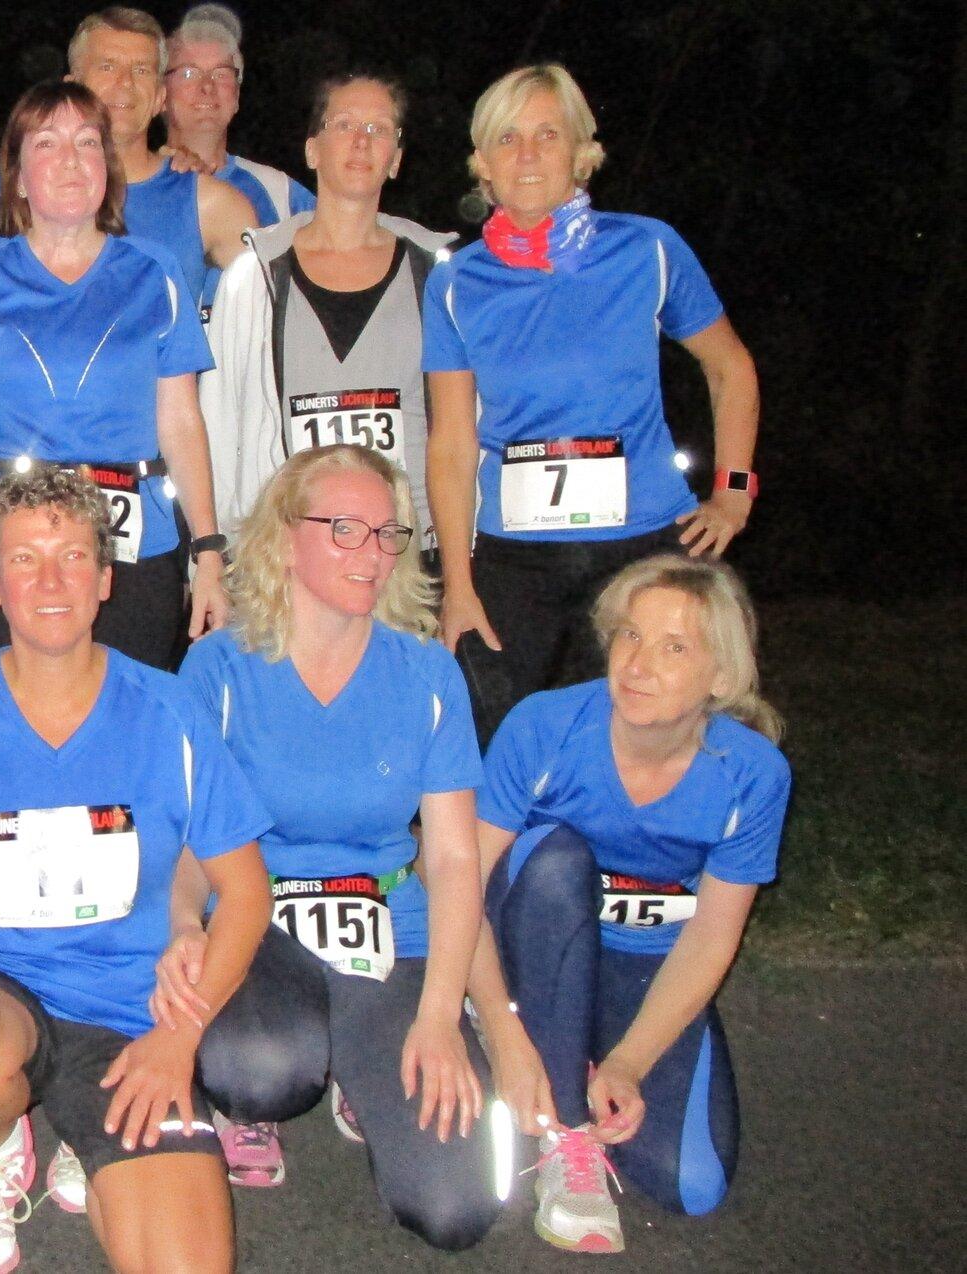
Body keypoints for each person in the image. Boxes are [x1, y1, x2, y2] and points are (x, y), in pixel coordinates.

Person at [0, 466, 273, 1274]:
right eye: (23, 560)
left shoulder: (167, 709)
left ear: (105, 578)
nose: (50, 581)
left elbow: (247, 893)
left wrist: (176, 1039)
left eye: (73, 556)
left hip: (131, 1012)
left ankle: (93, 1133)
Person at [172, 445, 500, 1249]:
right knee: (258, 1072)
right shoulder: (216, 669)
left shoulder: (426, 674)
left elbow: (455, 860)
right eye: (344, 529)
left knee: (457, 1209)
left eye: (387, 534)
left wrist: (439, 1016)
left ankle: (362, 1062)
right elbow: (181, 841)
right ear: (283, 538)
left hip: (389, 930)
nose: (373, 554)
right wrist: (183, 924)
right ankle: (283, 1077)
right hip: (254, 929)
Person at [423, 64, 763, 747]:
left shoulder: (646, 249)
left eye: (546, 135)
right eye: (507, 138)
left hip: (641, 549)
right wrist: (456, 583)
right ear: (481, 163)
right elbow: (452, 444)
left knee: (644, 739)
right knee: (493, 739)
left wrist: (731, 492)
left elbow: (730, 369)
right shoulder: (455, 281)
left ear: (581, 153)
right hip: (512, 556)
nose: (526, 155)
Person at [467, 554, 790, 1252]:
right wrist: (501, 1030)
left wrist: (629, 1065)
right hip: (535, 938)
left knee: (690, 1185)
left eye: (674, 647)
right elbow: (457, 881)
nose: (638, 664)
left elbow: (708, 939)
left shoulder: (752, 774)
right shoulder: (544, 726)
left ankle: (586, 1054)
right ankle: (564, 1134)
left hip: (643, 962)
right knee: (555, 861)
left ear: (722, 676)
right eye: (628, 636)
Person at [0, 80, 230, 672]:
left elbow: (179, 420)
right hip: (5, 551)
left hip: (132, 556)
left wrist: (208, 553)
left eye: (87, 142)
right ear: (16, 174)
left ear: (108, 165)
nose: (70, 160)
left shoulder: (156, 273)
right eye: (47, 144)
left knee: (125, 731)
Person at [204, 73, 455, 552]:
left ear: (397, 159)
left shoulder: (439, 275)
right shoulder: (255, 277)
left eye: (379, 129)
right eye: (343, 124)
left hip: (408, 548)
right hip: (292, 552)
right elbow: (219, 425)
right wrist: (212, 556)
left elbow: (463, 424)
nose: (362, 141)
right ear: (312, 150)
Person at [66, 7, 258, 309]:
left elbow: (262, 330)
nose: (125, 82)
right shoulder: (31, 199)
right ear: (71, 89)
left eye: (141, 70)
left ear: (159, 97)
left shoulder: (211, 204)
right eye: (107, 66)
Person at [161, 5, 317, 309]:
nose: (207, 87)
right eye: (189, 73)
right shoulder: (128, 187)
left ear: (237, 96)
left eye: (221, 73)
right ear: (160, 93)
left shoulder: (280, 193)